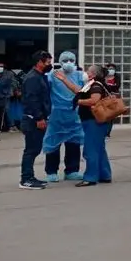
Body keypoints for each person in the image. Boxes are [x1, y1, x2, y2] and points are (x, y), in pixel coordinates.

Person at [42, 51, 85, 182]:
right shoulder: (53, 75)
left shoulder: (79, 75)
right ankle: (51, 172)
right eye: (65, 60)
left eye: (71, 60)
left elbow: (82, 91)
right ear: (60, 62)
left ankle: (72, 171)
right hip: (57, 114)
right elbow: (44, 90)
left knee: (74, 143)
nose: (69, 63)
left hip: (74, 114)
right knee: (53, 143)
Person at [19, 51, 53, 190]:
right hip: (33, 119)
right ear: (39, 62)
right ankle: (26, 179)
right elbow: (32, 99)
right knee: (31, 150)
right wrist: (39, 117)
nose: (50, 65)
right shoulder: (33, 78)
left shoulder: (40, 76)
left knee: (35, 149)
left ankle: (30, 176)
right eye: (47, 63)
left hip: (38, 118)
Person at [76, 65, 113, 187]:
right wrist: (64, 80)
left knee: (90, 149)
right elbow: (78, 91)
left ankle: (91, 177)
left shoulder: (95, 86)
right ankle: (104, 174)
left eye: (88, 71)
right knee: (99, 149)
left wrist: (79, 102)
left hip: (93, 121)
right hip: (96, 122)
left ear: (93, 74)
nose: (86, 73)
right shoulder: (91, 85)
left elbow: (94, 100)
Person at [103, 62, 121, 139]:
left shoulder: (117, 76)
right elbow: (103, 86)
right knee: (104, 115)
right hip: (104, 98)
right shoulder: (104, 77)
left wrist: (109, 86)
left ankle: (107, 133)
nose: (111, 70)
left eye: (112, 69)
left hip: (113, 98)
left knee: (111, 116)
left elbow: (117, 86)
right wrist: (110, 86)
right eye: (109, 68)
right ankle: (103, 131)